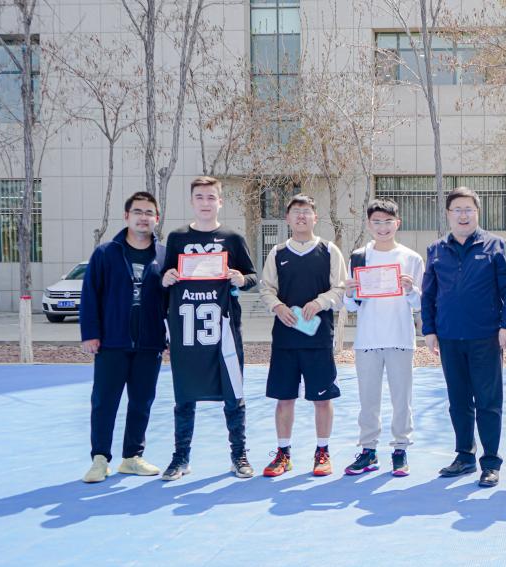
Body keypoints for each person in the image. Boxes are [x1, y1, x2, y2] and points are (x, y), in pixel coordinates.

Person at [160, 176, 257, 480]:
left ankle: (239, 455)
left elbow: (252, 277)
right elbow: (164, 278)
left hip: (224, 331)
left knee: (233, 395)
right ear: (192, 201)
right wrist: (166, 278)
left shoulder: (232, 238)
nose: (205, 203)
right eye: (200, 197)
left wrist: (241, 279)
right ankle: (180, 457)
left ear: (220, 201)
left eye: (211, 197)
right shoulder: (177, 238)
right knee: (184, 396)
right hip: (188, 333)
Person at [422, 186, 506, 488]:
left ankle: (490, 462)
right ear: (448, 214)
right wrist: (429, 330)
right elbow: (428, 294)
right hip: (449, 338)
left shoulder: (496, 246)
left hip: (485, 337)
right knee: (458, 401)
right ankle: (464, 456)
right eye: (457, 210)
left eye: (469, 210)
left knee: (488, 401)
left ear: (477, 212)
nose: (463, 215)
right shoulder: (436, 249)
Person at [257, 194, 347, 477]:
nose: (301, 216)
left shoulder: (329, 250)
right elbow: (266, 288)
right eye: (296, 211)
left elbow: (340, 289)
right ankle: (283, 454)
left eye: (306, 211)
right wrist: (278, 306)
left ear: (315, 217)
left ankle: (322, 452)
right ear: (287, 218)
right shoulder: (277, 252)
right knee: (284, 398)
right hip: (285, 340)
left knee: (322, 399)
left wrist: (320, 302)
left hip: (318, 339)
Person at [80, 192, 167, 482]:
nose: (144, 217)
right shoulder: (106, 253)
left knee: (141, 402)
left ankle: (132, 457)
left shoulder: (164, 256)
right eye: (138, 212)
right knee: (104, 402)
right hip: (112, 342)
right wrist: (90, 334)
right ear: (127, 216)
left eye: (149, 213)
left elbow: (171, 299)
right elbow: (90, 295)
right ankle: (100, 459)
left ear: (156, 219)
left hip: (149, 343)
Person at [342, 199, 424, 477]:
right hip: (367, 339)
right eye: (377, 222)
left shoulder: (411, 258)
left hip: (400, 338)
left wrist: (411, 290)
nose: (382, 227)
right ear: (368, 224)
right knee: (368, 401)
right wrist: (349, 292)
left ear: (397, 223)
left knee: (402, 399)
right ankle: (368, 450)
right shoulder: (358, 256)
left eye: (388, 221)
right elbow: (352, 305)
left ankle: (400, 449)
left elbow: (420, 303)